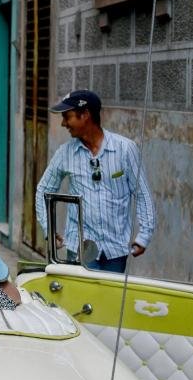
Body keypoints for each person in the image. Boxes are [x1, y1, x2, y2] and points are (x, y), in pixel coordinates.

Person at [35, 89, 155, 273]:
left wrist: (144, 235)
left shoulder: (125, 149)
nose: (63, 124)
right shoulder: (65, 153)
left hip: (115, 250)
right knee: (80, 300)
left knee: (110, 301)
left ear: (85, 115)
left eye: (67, 117)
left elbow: (142, 193)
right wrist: (48, 229)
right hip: (80, 248)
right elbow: (43, 190)